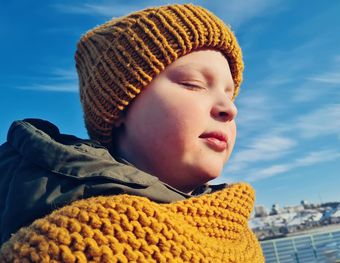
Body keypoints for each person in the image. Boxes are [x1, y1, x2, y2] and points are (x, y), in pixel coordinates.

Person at [0, 3, 264, 262]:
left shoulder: (239, 236)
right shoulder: (79, 241)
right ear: (119, 108)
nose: (229, 108)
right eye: (193, 84)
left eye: (231, 95)